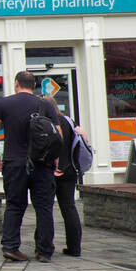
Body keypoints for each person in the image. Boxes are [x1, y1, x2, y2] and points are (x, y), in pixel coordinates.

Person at [0, 71, 60, 263]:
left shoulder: (5, 103)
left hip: (14, 162)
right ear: (34, 85)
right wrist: (56, 159)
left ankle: (10, 247)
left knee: (14, 205)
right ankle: (44, 251)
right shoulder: (44, 104)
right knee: (44, 207)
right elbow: (58, 134)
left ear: (16, 83)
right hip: (42, 163)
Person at [44, 95, 85, 258]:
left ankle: (44, 246)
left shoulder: (44, 123)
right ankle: (74, 248)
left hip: (49, 170)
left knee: (45, 208)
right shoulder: (69, 121)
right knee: (69, 207)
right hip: (69, 170)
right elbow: (84, 138)